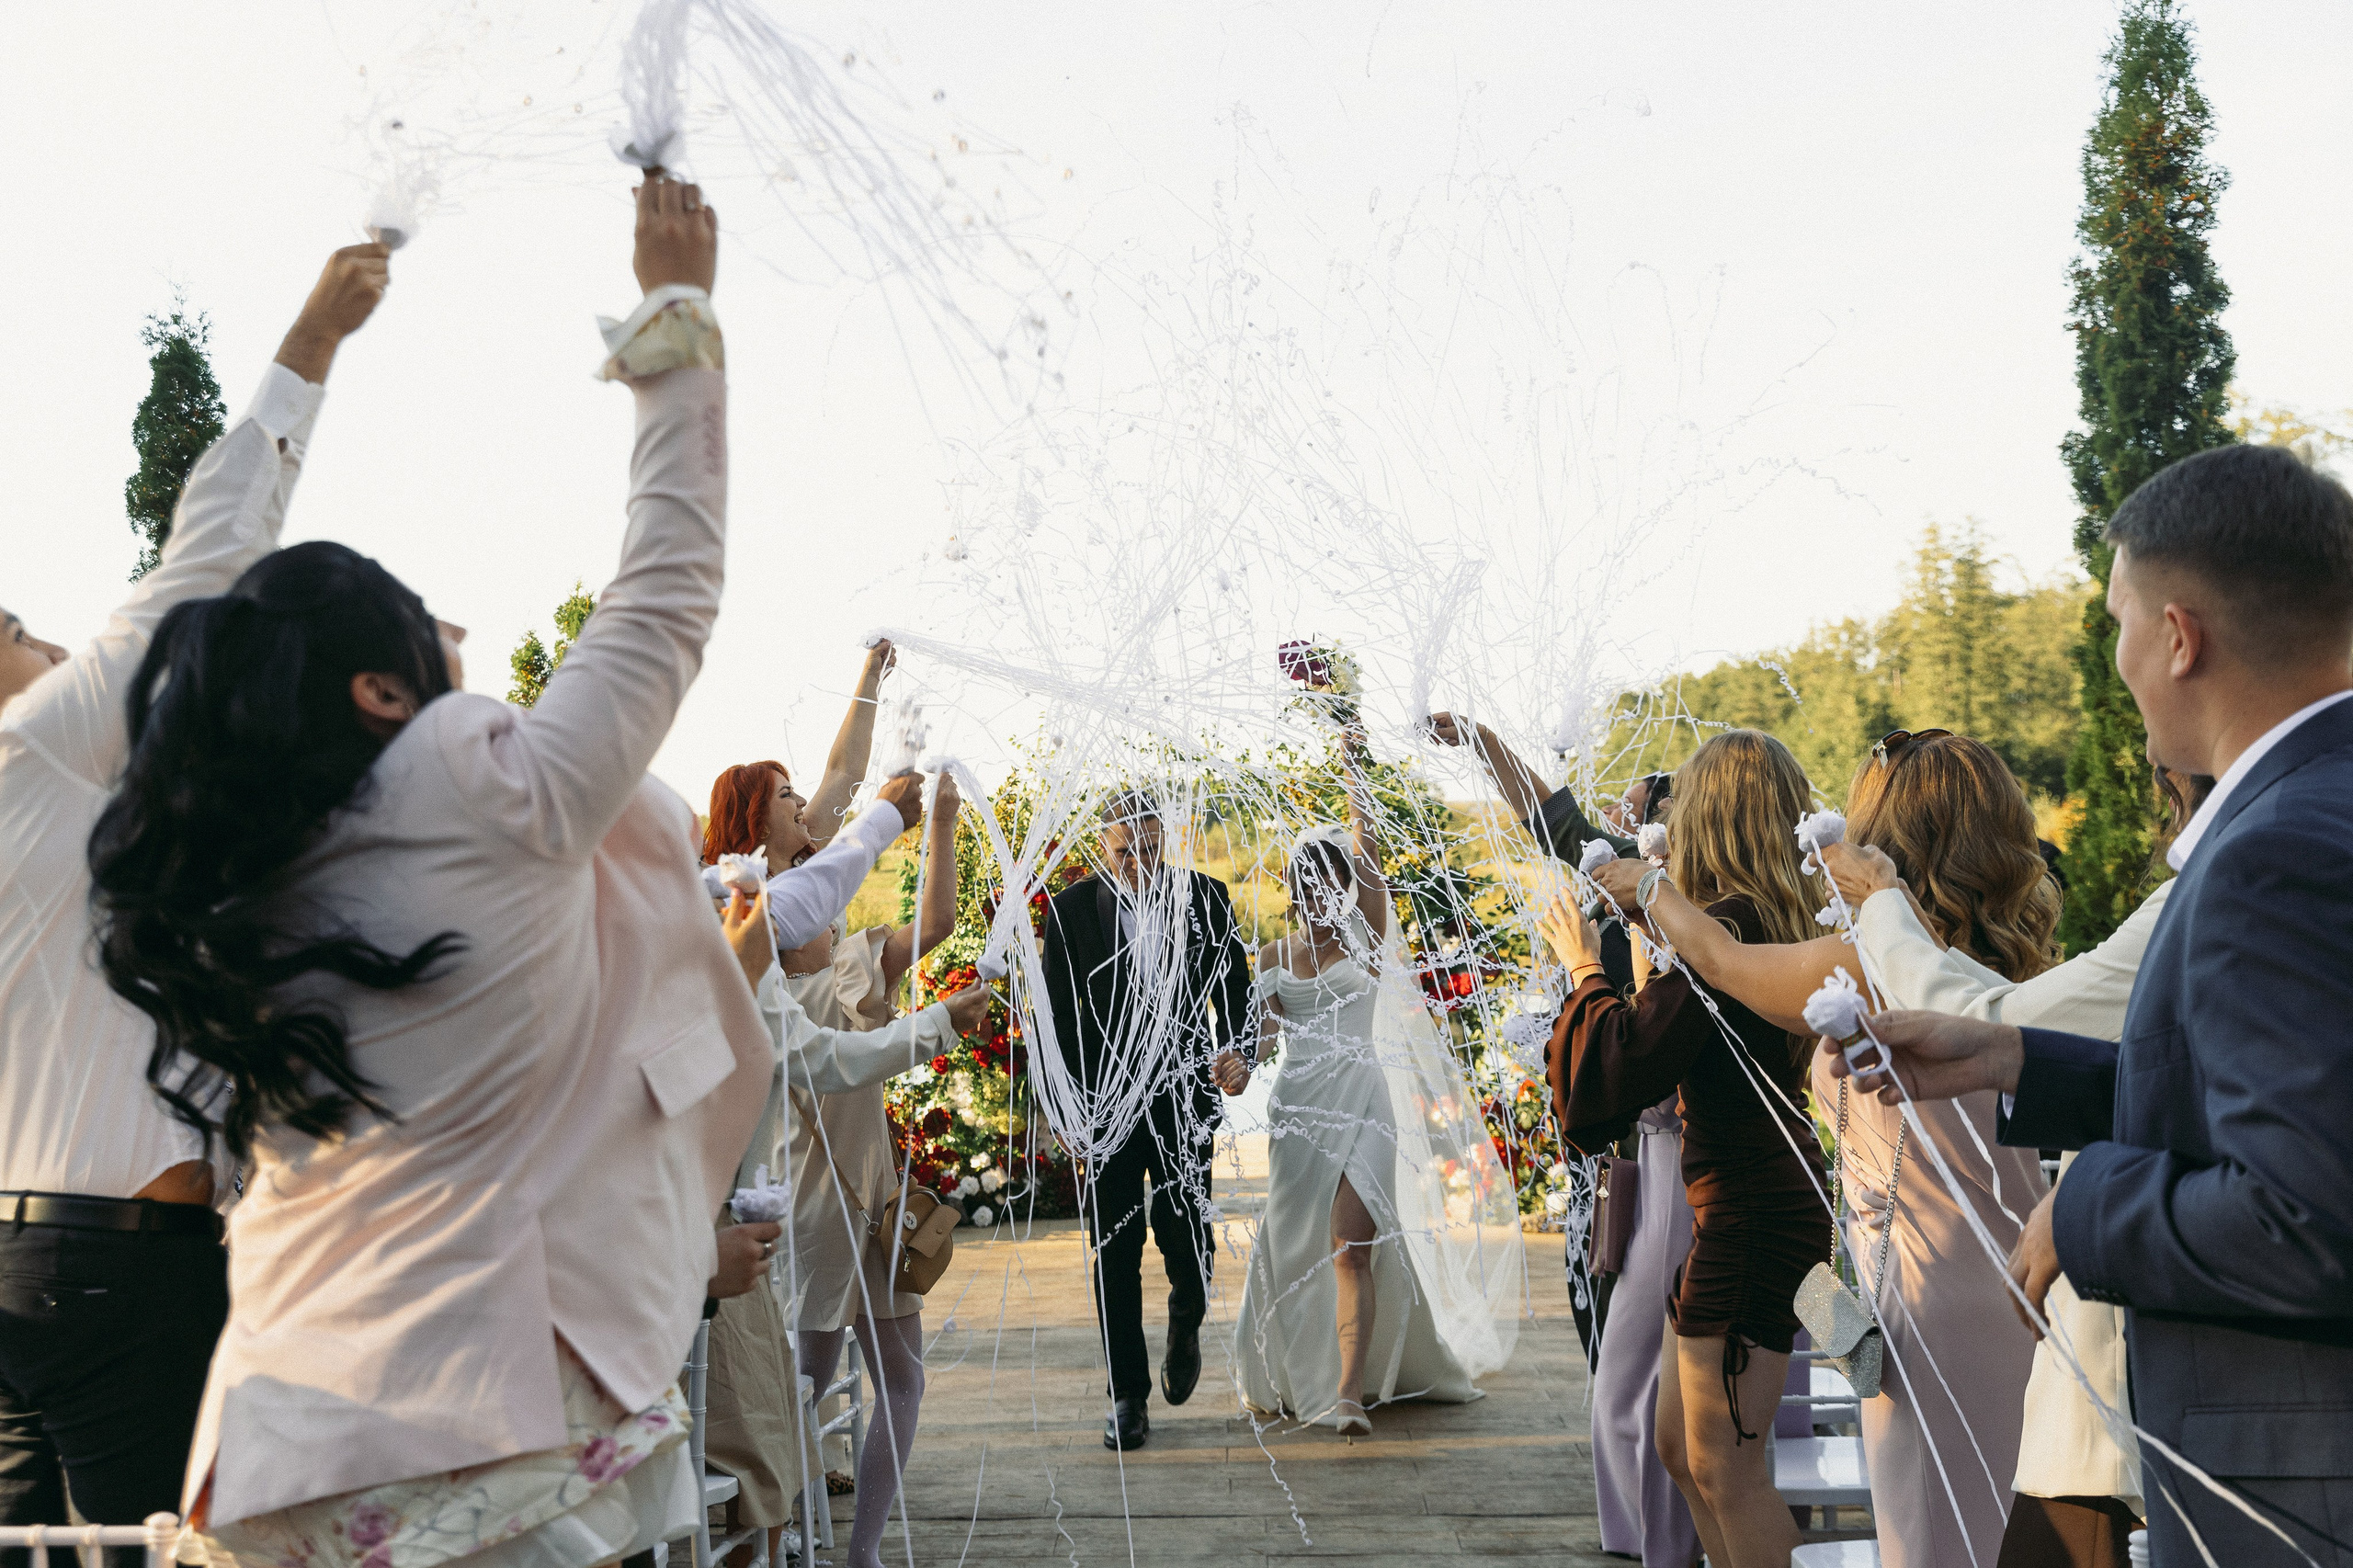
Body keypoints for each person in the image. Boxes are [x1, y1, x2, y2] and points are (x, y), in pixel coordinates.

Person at [85, 176, 776, 1568]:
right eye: (428, 638)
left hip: (277, 1447)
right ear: (380, 691)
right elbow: (665, 592)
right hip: (474, 1447)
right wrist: (676, 312)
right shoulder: (481, 786)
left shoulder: (238, 886)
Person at [1842, 444, 2353, 1567]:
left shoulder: (2270, 852)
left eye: (2119, 619)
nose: (2117, 654)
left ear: (2178, 637)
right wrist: (2013, 1054)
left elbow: (2309, 1212)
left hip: (2298, 1484)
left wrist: (2086, 1212)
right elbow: (2293, 1104)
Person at [0, 242, 387, 1554]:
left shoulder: (58, 811)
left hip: (21, 1266)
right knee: (167, 1548)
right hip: (113, 1261)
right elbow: (202, 561)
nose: (49, 644)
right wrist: (311, 342)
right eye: (20, 637)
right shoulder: (37, 744)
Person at [1599, 732, 2056, 1568]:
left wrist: (1648, 884)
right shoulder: (2007, 968)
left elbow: (1722, 959)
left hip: (1925, 1294)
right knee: (1988, 1528)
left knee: (1929, 1533)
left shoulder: (1870, 964)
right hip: (2011, 1276)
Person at [1830, 767, 2211, 1568]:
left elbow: (1999, 1017)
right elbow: (2029, 1029)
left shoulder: (2217, 889)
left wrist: (1881, 903)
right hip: (2042, 1311)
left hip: (2062, 1314)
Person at [1543, 730, 1830, 1568]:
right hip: (1751, 1202)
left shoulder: (1731, 923)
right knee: (1679, 1446)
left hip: (1748, 1213)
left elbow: (1629, 1059)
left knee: (1724, 1468)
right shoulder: (1764, 916)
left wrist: (1580, 970)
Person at [1425, 713, 1699, 1563]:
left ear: (1670, 825)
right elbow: (1547, 816)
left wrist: (1586, 974)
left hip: (1666, 1142)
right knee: (1600, 1303)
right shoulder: (1618, 878)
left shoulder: (1681, 908)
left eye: (1638, 810)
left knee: (1636, 1331)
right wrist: (1480, 743)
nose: (1615, 826)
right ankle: (1636, 1503)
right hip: (1614, 1148)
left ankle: (1657, 1523)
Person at [1217, 757, 1520, 1437]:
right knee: (1298, 1248)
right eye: (1309, 885)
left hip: (1366, 1104)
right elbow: (1262, 1042)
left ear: (1346, 888)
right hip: (1298, 1111)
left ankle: (1350, 1391)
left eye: (1333, 883)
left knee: (1353, 1245)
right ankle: (1298, 1372)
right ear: (1293, 890)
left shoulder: (1368, 938)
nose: (1321, 895)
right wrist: (1236, 1067)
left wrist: (1352, 756)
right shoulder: (1269, 957)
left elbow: (1370, 842)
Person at [1040, 791, 1252, 1451]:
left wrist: (1240, 1054)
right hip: (1104, 1106)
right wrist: (1067, 1109)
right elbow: (1057, 1017)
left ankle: (1186, 1313)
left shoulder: (1207, 897)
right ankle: (1127, 1396)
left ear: (1169, 838)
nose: (1138, 862)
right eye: (1124, 849)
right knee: (1114, 1249)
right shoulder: (1070, 910)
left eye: (1150, 847)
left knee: (1185, 1230)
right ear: (1103, 846)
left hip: (1186, 1097)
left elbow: (1238, 993)